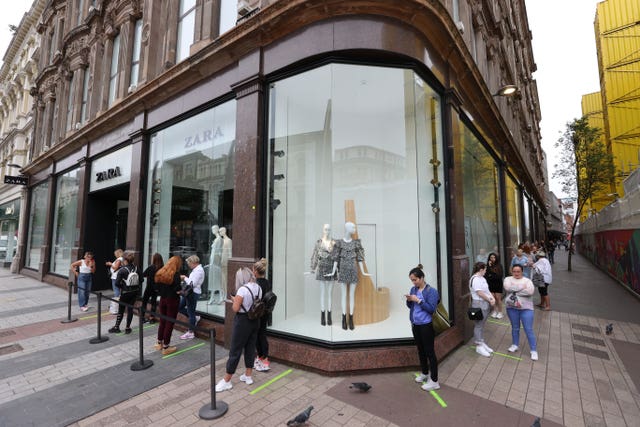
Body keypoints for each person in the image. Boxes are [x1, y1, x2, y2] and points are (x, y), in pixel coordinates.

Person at [215, 267, 262, 392]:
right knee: (250, 348)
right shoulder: (258, 287)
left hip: (242, 322)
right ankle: (248, 376)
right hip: (255, 320)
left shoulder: (242, 290)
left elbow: (235, 308)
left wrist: (234, 299)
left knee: (235, 351)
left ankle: (227, 380)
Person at [326, 222, 370, 330]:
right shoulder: (339, 243)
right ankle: (343, 318)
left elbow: (360, 258)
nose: (355, 229)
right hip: (343, 271)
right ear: (347, 228)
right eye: (353, 227)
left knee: (351, 296)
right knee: (344, 296)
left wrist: (363, 272)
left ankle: (350, 318)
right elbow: (336, 259)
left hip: (354, 271)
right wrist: (333, 272)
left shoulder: (356, 243)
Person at [406, 264, 440, 391]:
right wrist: (410, 300)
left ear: (422, 278)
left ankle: (435, 381)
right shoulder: (413, 290)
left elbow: (431, 309)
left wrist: (419, 301)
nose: (413, 282)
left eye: (415, 279)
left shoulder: (432, 291)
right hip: (416, 324)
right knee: (420, 350)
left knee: (430, 352)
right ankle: (425, 373)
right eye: (412, 280)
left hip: (426, 325)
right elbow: (411, 307)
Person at [503, 264, 538, 361]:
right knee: (515, 328)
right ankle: (515, 345)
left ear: (522, 271)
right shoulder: (507, 279)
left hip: (526, 308)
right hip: (511, 307)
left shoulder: (527, 281)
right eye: (514, 271)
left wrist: (514, 290)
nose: (516, 273)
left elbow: (530, 292)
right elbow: (507, 288)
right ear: (512, 271)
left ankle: (533, 350)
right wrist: (522, 287)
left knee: (528, 329)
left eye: (518, 271)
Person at [154, 255, 182, 355]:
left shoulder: (161, 273)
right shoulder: (176, 275)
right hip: (172, 301)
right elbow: (178, 290)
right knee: (169, 323)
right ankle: (166, 346)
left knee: (162, 321)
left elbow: (156, 288)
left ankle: (159, 343)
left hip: (162, 300)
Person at [310, 223, 336, 326]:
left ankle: (329, 316)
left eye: (329, 229)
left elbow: (336, 258)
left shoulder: (334, 243)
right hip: (321, 269)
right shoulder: (318, 242)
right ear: (323, 230)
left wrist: (336, 270)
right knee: (322, 294)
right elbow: (315, 255)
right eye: (325, 229)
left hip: (330, 268)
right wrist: (313, 267)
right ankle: (322, 316)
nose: (327, 231)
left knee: (329, 294)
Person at [108, 251, 139, 335]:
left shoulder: (122, 270)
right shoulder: (136, 268)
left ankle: (117, 327)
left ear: (125, 260)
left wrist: (123, 287)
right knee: (130, 309)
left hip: (125, 292)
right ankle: (128, 328)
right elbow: (142, 280)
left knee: (121, 310)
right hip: (134, 292)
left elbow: (117, 283)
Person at [469, 262, 495, 357]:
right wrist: (489, 299)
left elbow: (486, 291)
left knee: (482, 324)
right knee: (478, 325)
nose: (485, 271)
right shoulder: (475, 279)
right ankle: (478, 345)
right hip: (478, 303)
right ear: (481, 270)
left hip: (484, 303)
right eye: (485, 269)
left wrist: (492, 298)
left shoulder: (482, 278)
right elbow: (479, 292)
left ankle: (481, 341)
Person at [178, 255, 204, 340]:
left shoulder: (199, 271)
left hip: (193, 293)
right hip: (189, 293)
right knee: (180, 307)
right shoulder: (196, 270)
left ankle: (191, 332)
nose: (188, 265)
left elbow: (192, 284)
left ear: (194, 262)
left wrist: (185, 278)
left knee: (191, 311)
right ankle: (194, 318)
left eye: (189, 263)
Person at [253, 258, 272, 372]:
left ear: (255, 271)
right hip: (265, 312)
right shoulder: (267, 282)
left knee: (257, 335)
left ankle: (261, 358)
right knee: (262, 335)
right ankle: (264, 359)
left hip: (257, 313)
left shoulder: (256, 284)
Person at [141, 253, 164, 323]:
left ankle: (142, 317)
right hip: (157, 288)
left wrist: (149, 276)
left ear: (154, 259)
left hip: (149, 287)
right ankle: (152, 318)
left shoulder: (151, 267)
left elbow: (143, 274)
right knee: (153, 302)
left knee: (144, 302)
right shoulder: (163, 267)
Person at [207, 225, 224, 305]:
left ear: (216, 229)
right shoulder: (217, 239)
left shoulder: (219, 239)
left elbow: (218, 253)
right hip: (213, 263)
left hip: (215, 263)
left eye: (213, 229)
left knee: (217, 280)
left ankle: (220, 297)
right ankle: (212, 297)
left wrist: (213, 263)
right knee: (213, 280)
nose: (212, 231)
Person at [485, 252, 504, 318]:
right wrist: (489, 267)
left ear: (496, 258)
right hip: (490, 284)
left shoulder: (499, 265)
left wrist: (491, 276)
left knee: (498, 299)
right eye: (491, 257)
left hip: (498, 284)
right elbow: (486, 275)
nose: (492, 259)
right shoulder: (487, 266)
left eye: (494, 257)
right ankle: (494, 311)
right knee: (492, 298)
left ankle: (500, 312)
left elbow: (499, 276)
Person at [105, 249, 124, 314]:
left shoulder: (119, 260)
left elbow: (115, 268)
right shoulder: (122, 259)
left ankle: (115, 307)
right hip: (118, 277)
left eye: (115, 254)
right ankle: (117, 305)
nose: (115, 255)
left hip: (115, 277)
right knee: (118, 291)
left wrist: (110, 264)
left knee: (116, 292)